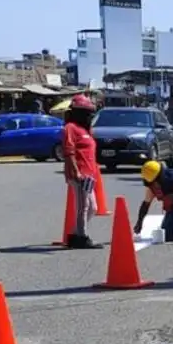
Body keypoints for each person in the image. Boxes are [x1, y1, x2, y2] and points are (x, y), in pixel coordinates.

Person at [61, 94, 100, 249]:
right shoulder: (70, 128)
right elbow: (69, 151)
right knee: (83, 206)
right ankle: (82, 237)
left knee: (93, 207)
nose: (90, 115)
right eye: (87, 112)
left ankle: (74, 234)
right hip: (79, 174)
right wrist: (76, 172)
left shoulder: (85, 130)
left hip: (89, 175)